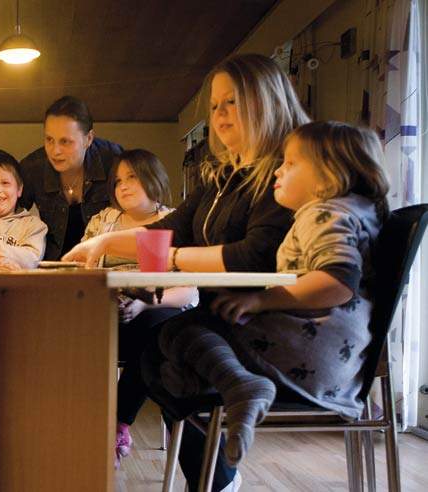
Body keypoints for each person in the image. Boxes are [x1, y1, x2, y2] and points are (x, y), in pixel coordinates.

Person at [64, 53, 310, 491]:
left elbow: (253, 256)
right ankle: (215, 480)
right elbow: (165, 230)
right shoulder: (223, 179)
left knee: (159, 346)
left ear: (266, 100)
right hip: (223, 315)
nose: (219, 115)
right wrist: (100, 242)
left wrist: (176, 259)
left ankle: (213, 479)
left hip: (265, 317)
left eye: (232, 102)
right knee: (156, 347)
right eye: (215, 106)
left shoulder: (284, 172)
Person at [158, 120, 389, 465]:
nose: (278, 170)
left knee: (181, 330)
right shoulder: (357, 213)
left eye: (291, 163)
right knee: (185, 351)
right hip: (335, 362)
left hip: (305, 353)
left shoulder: (325, 214)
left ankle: (239, 386)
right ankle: (222, 384)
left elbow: (336, 283)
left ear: (328, 177)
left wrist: (262, 298)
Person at [81, 149, 199, 465]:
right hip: (104, 314)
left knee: (157, 332)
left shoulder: (175, 221)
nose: (124, 186)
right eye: (118, 180)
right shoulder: (102, 222)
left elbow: (188, 292)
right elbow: (84, 272)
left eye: (132, 177)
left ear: (153, 178)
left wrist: (145, 303)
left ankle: (117, 423)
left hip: (158, 313)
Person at [19, 96, 123, 260]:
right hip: (52, 264)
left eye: (65, 142)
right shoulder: (32, 168)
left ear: (88, 139)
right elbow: (10, 217)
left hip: (103, 262)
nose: (55, 151)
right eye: (49, 140)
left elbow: (140, 207)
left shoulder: (114, 160)